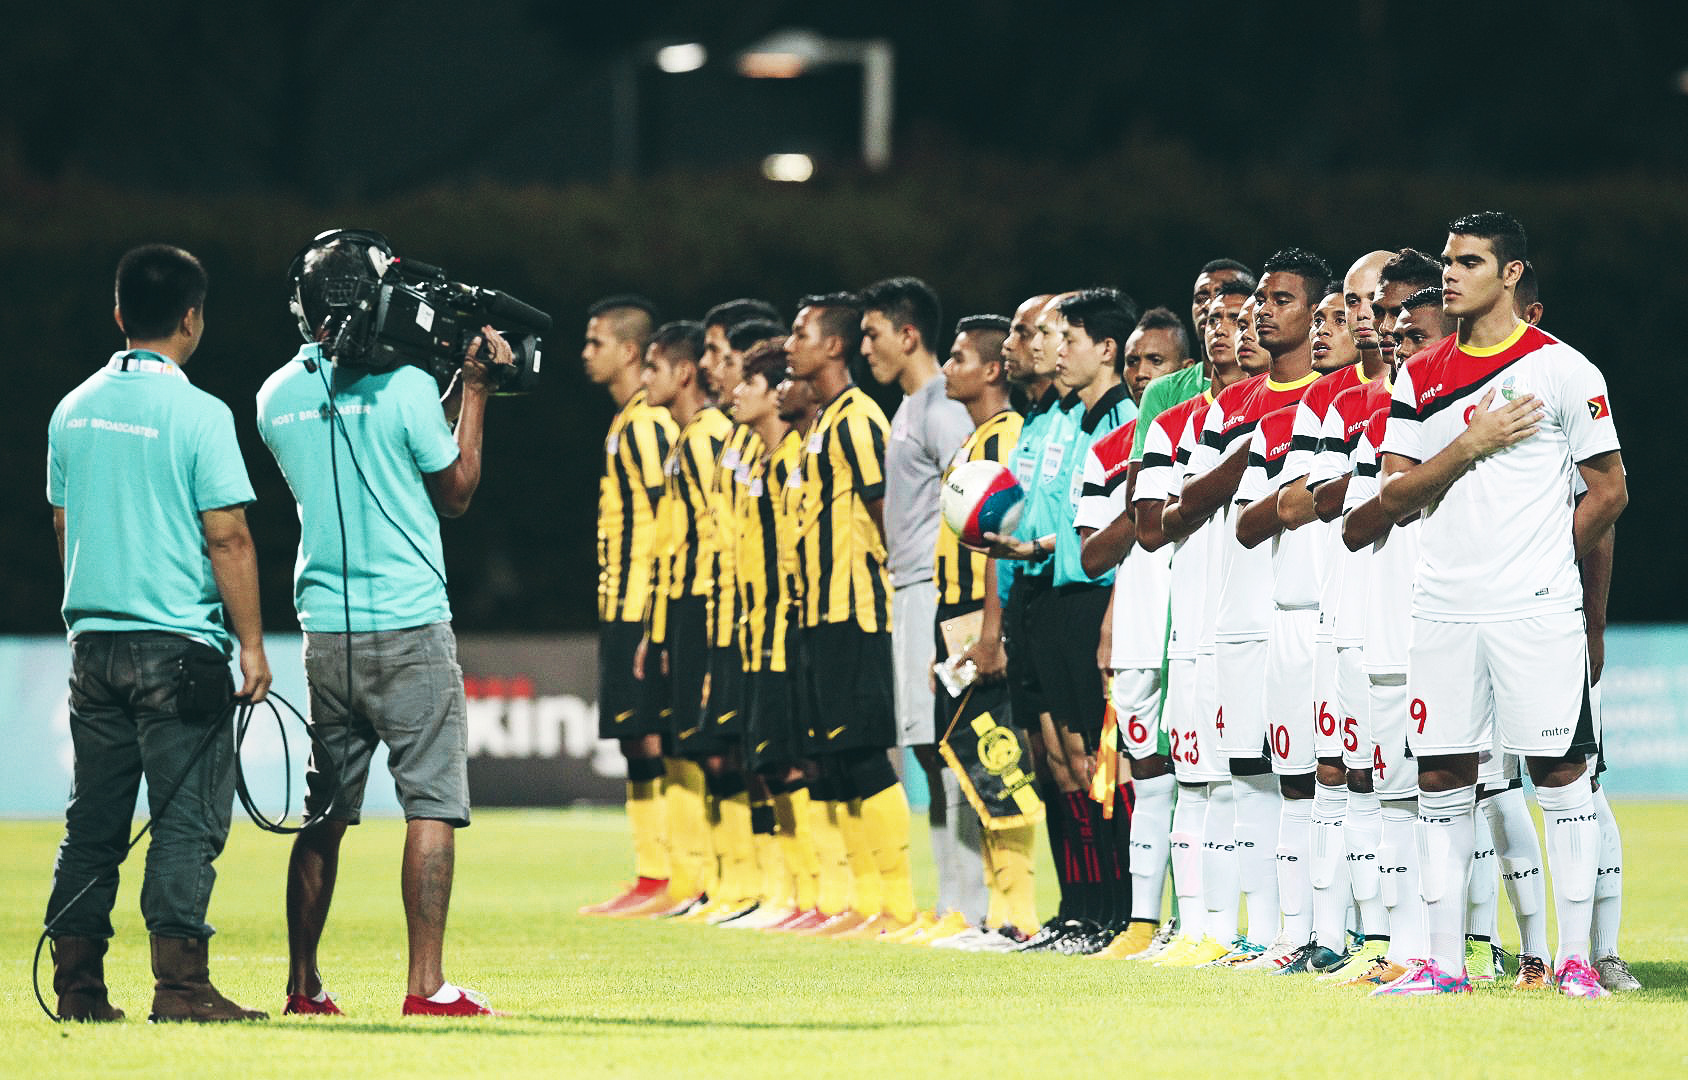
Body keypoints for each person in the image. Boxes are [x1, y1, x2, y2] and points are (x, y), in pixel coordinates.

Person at [258, 232, 513, 1017]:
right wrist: (471, 390)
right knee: (432, 803)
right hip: (408, 624)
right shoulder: (408, 388)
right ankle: (426, 987)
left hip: (325, 634)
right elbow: (454, 487)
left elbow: (370, 439)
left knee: (325, 813)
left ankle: (303, 986)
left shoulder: (274, 397)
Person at [1374, 211, 1626, 998]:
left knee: (1559, 772)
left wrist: (1549, 557)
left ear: (1511, 273)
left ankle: (1577, 961)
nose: (1449, 274)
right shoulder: (1418, 377)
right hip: (1444, 606)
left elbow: (1612, 488)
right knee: (1443, 778)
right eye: (1447, 261)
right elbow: (1391, 497)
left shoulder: (1565, 370)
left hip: (1535, 608)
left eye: (1468, 261)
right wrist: (1467, 447)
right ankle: (1446, 968)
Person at [44, 244, 269, 1024]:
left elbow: (65, 523)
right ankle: (180, 988)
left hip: (91, 646)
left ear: (118, 314)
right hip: (178, 650)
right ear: (192, 318)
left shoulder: (71, 408)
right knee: (186, 823)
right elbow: (229, 536)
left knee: (92, 825)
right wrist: (251, 646)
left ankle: (78, 989)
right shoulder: (201, 414)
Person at [1179, 249, 1330, 968]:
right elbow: (1186, 505)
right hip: (1238, 612)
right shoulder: (1231, 408)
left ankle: (1341, 934)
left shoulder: (1335, 398)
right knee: (1249, 775)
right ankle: (1274, 933)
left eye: (1278, 300)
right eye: (1258, 302)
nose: (1261, 313)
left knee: (1325, 777)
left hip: (1313, 613)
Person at [990, 288, 1138, 955]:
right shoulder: (1053, 418)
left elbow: (1108, 526)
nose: (1056, 351)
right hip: (1042, 592)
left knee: (1096, 763)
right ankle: (1079, 908)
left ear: (1103, 349)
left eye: (1066, 337)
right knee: (1057, 763)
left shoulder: (1119, 422)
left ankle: (1119, 910)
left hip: (1087, 597)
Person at [785, 292, 915, 939]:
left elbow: (886, 511)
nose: (790, 344)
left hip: (857, 611)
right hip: (818, 615)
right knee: (832, 761)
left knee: (864, 754)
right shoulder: (821, 426)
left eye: (800, 332)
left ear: (832, 346)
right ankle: (859, 902)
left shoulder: (860, 419)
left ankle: (896, 903)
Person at [858, 277, 981, 937]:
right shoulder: (909, 406)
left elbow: (978, 498)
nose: (865, 346)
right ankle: (950, 902)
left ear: (909, 335)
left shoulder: (941, 408)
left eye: (873, 333)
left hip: (937, 592)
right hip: (908, 590)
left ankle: (974, 904)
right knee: (927, 750)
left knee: (951, 747)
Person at [1077, 307, 1192, 958]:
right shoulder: (1107, 453)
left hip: (1206, 625)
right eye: (1134, 362)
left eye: (1158, 362)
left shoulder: (1210, 431)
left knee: (1222, 780)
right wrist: (1144, 504)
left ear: (1186, 371)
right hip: (1144, 628)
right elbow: (1093, 555)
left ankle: (1201, 923)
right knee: (1149, 777)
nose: (1143, 374)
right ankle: (1143, 924)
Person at [929, 314, 1037, 951]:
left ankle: (1016, 911)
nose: (949, 368)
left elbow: (1003, 542)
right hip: (959, 615)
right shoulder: (976, 440)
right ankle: (992, 910)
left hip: (982, 615)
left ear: (993, 369)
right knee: (970, 765)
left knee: (1000, 762)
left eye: (960, 357)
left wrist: (993, 631)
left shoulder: (1007, 439)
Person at [639, 322, 747, 923]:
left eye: (653, 368)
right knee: (693, 746)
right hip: (683, 608)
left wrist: (703, 616)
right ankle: (709, 882)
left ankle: (734, 882)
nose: (645, 380)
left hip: (710, 605)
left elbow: (719, 534)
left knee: (718, 750)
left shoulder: (710, 437)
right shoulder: (687, 439)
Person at [577, 295, 679, 918]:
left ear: (629, 352)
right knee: (638, 741)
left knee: (655, 739)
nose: (586, 353)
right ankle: (652, 874)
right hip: (624, 602)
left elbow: (673, 515)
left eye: (596, 342)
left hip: (645, 603)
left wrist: (655, 610)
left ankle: (671, 874)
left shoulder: (647, 426)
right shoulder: (629, 422)